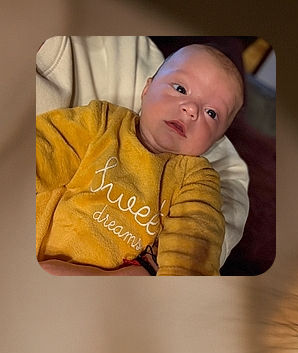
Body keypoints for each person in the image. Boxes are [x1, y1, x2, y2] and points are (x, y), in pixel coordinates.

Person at [35, 44, 244, 277]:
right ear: (146, 89)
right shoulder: (102, 122)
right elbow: (46, 146)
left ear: (215, 140)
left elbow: (194, 244)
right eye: (180, 88)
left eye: (212, 113)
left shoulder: (197, 180)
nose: (191, 109)